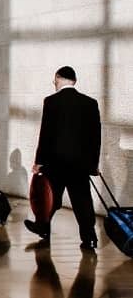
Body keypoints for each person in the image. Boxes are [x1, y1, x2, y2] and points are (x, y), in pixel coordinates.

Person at [25, 66, 101, 250]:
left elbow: (46, 134)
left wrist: (39, 161)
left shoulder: (51, 102)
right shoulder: (90, 103)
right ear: (74, 81)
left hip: (55, 163)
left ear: (59, 78)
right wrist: (93, 165)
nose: (54, 83)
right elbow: (95, 137)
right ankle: (90, 238)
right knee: (83, 201)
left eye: (54, 80)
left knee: (49, 198)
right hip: (79, 164)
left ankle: (42, 228)